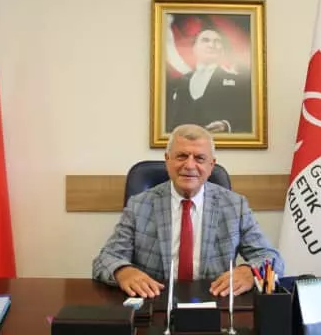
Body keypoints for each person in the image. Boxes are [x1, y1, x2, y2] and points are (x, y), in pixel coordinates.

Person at [92, 124, 283, 298]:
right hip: (155, 301)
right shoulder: (139, 205)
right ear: (167, 160)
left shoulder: (235, 206)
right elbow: (105, 259)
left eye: (199, 158)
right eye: (182, 156)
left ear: (211, 165)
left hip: (214, 302)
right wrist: (123, 272)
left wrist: (249, 271)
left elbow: (272, 258)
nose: (190, 165)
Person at [166, 28, 252, 134]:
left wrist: (227, 125)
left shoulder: (239, 82)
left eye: (217, 41)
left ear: (222, 50)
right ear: (194, 48)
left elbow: (249, 117)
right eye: (205, 40)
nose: (212, 45)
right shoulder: (178, 83)